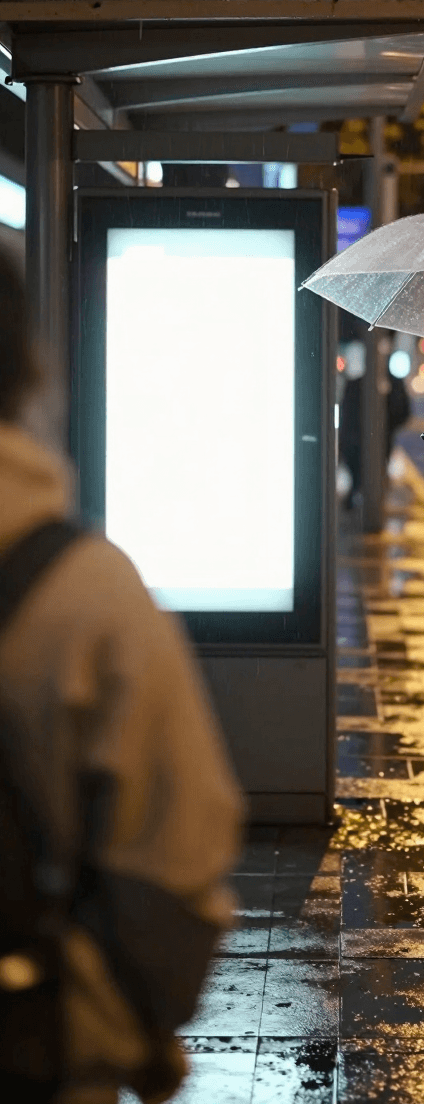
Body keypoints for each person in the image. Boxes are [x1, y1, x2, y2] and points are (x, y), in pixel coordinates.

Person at [0, 242, 244, 1103]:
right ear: (28, 369)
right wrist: (121, 1025)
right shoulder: (86, 591)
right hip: (36, 1039)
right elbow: (183, 845)